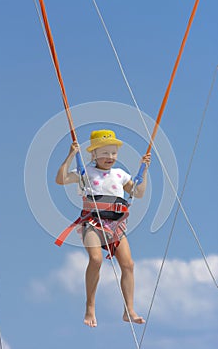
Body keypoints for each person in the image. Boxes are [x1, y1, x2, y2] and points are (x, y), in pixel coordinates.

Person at [56, 129, 151, 328]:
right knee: (96, 259)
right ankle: (90, 306)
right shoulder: (86, 172)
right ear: (93, 154)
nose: (110, 157)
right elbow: (60, 179)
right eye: (105, 152)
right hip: (92, 223)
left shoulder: (120, 174)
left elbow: (138, 193)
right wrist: (71, 155)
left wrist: (144, 170)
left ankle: (129, 310)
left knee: (128, 265)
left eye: (113, 153)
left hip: (116, 226)